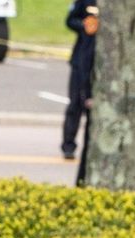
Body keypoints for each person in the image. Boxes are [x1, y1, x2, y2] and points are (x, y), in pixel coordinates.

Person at [61, 0, 96, 161]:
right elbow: (70, 21)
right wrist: (84, 26)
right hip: (82, 59)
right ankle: (68, 146)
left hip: (103, 63)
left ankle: (92, 147)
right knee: (75, 104)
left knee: (95, 110)